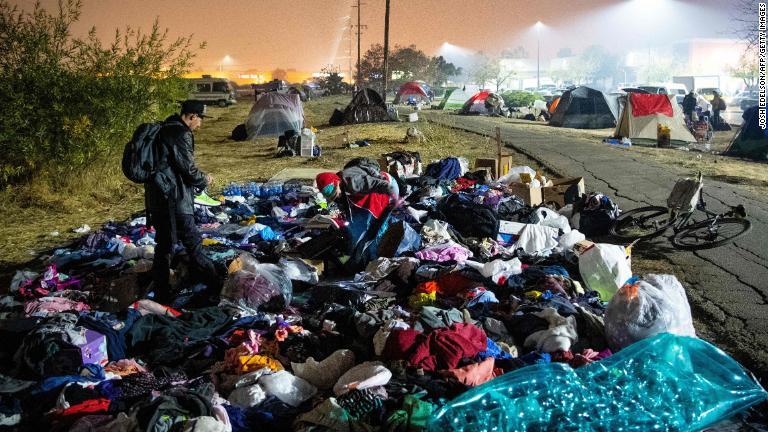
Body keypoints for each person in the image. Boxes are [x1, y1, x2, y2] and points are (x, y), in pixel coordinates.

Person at [146, 100, 222, 304]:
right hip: (175, 201)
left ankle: (162, 293)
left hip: (158, 198)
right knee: (193, 244)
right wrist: (204, 179)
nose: (200, 125)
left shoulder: (162, 129)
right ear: (191, 116)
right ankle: (218, 286)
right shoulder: (181, 134)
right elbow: (187, 169)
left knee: (164, 247)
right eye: (200, 119)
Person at [315, 158, 400, 269]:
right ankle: (363, 259)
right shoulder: (340, 184)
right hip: (369, 194)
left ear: (337, 184)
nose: (337, 197)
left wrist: (395, 201)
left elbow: (385, 186)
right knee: (358, 231)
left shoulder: (354, 182)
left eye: (336, 195)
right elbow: (345, 207)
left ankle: (375, 260)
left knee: (375, 229)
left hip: (387, 189)